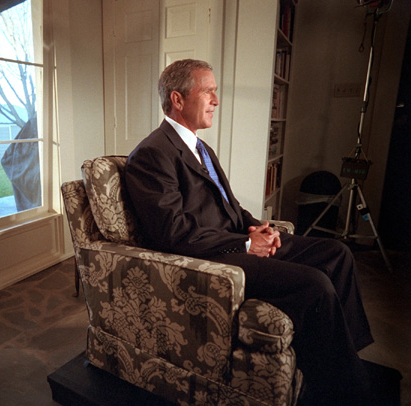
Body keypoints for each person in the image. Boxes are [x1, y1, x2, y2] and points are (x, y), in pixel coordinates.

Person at [124, 59, 374, 405]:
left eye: (215, 91)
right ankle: (344, 390)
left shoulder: (200, 147)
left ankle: (347, 356)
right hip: (212, 259)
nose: (216, 100)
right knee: (315, 284)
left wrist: (257, 227)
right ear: (178, 99)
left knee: (336, 253)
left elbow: (230, 205)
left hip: (235, 242)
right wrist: (244, 242)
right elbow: (173, 233)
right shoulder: (153, 154)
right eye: (208, 91)